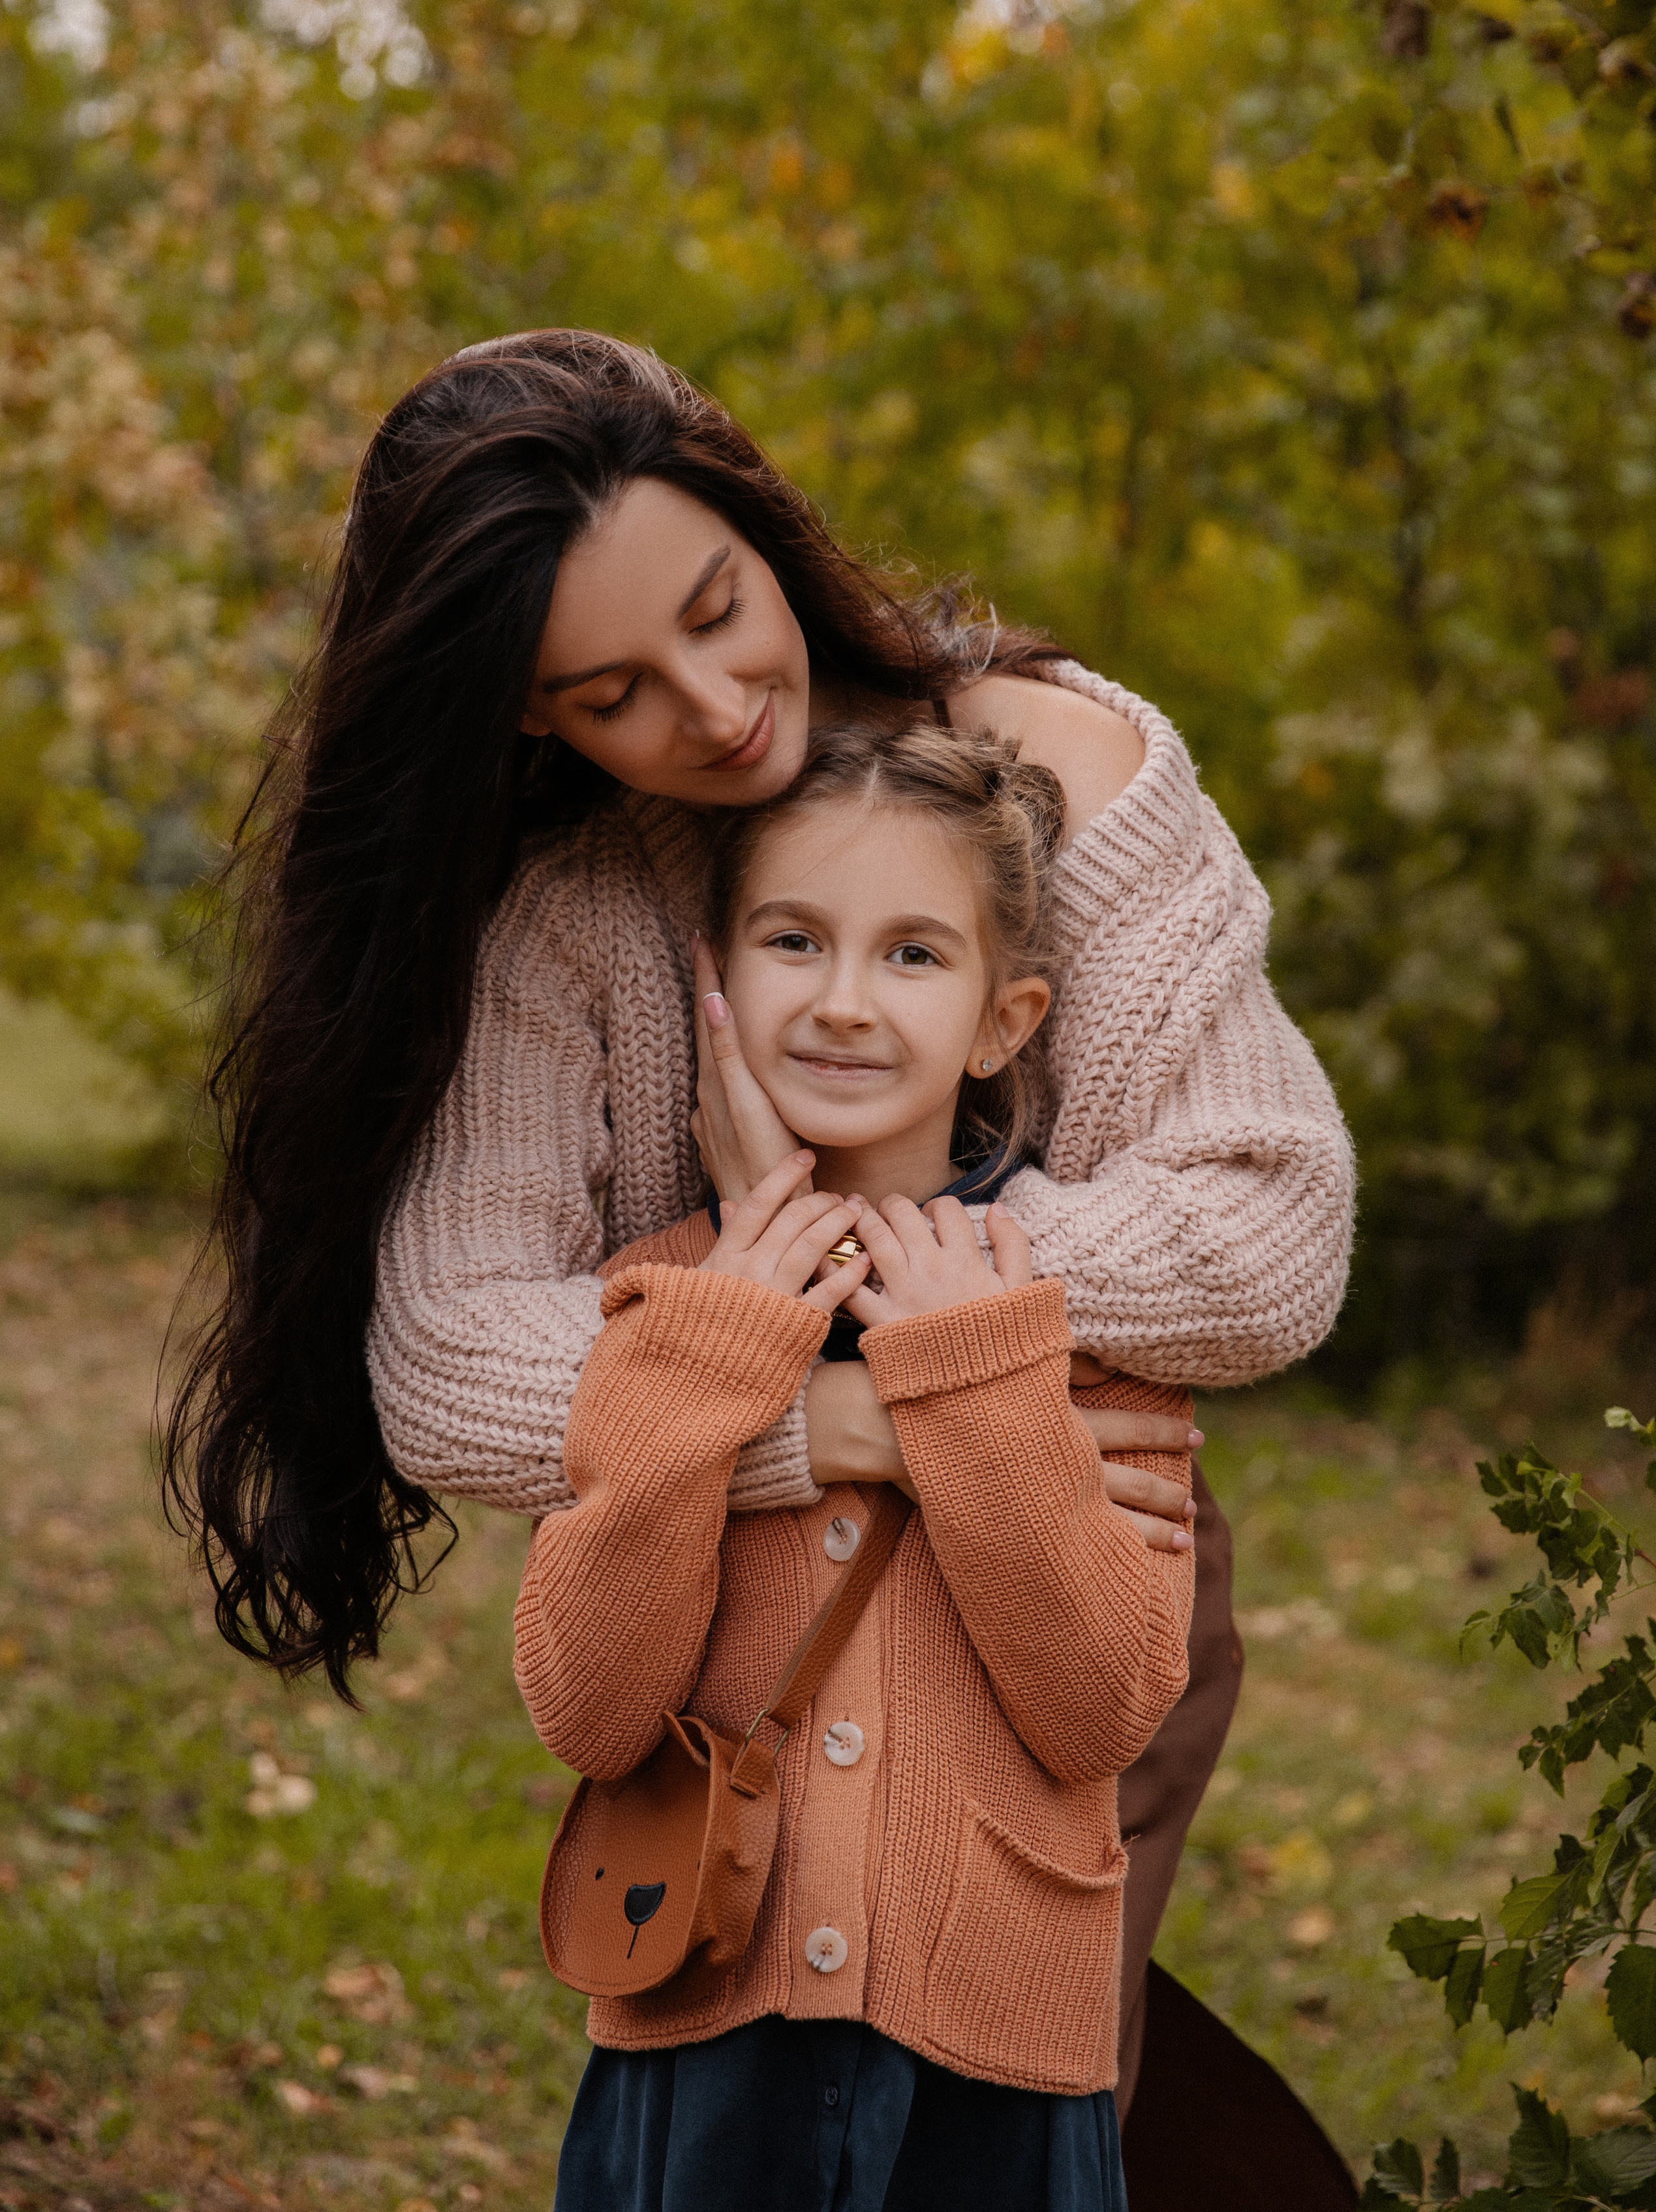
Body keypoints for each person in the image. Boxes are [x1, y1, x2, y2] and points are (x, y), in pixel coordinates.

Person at [164, 328, 1354, 2121]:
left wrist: (823, 1314)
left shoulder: (1055, 773)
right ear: (526, 713)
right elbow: (449, 1357)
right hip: (727, 1638)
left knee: (1022, 2118)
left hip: (1065, 1586)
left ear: (762, 523)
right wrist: (840, 1423)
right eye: (615, 689)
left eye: (719, 609)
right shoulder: (568, 920)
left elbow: (1265, 1237)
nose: (714, 706)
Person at [514, 720, 1195, 2211]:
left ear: (1002, 1018)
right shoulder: (669, 1295)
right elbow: (588, 1703)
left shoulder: (1087, 1320)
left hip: (994, 2064)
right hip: (703, 2019)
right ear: (719, 974)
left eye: (910, 955)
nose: (839, 1001)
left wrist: (969, 1372)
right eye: (792, 938)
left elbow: (1099, 1710)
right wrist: (717, 1347)